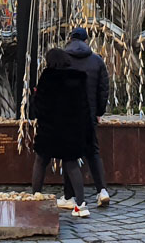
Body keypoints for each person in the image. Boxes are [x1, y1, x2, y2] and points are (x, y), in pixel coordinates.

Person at [30, 48, 92, 218]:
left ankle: (36, 196)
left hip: (49, 130)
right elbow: (85, 107)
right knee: (72, 165)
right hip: (72, 131)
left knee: (41, 160)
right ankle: (80, 205)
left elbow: (39, 105)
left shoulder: (47, 77)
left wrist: (41, 117)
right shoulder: (78, 78)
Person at [62, 27, 111, 207]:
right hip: (88, 115)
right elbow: (103, 89)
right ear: (86, 40)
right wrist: (99, 112)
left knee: (69, 154)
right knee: (93, 152)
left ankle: (69, 197)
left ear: (70, 39)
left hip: (67, 115)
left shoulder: (62, 59)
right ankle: (102, 191)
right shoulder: (97, 60)